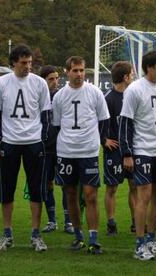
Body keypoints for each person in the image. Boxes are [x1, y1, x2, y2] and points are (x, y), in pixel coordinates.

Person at [0, 44, 51, 252]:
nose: (28, 67)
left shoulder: (40, 83)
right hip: (10, 143)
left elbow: (46, 114)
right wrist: (0, 140)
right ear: (13, 63)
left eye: (30, 62)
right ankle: (7, 233)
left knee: (36, 190)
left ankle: (36, 234)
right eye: (24, 63)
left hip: (34, 143)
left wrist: (42, 138)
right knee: (7, 190)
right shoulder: (2, 83)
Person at [119, 51, 156, 261]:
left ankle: (151, 239)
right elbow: (125, 123)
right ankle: (139, 243)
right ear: (149, 68)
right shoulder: (134, 90)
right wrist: (127, 154)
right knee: (144, 194)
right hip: (142, 150)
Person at [52, 56, 109, 254]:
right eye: (75, 70)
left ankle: (94, 238)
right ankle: (78, 236)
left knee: (90, 194)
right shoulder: (59, 96)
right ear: (67, 71)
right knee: (70, 194)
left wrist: (96, 142)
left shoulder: (94, 92)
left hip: (88, 152)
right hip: (66, 151)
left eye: (82, 70)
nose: (79, 74)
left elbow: (104, 120)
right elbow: (57, 124)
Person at [39, 65, 74, 234]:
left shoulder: (62, 97)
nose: (55, 82)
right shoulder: (38, 97)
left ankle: (69, 221)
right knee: (46, 184)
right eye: (51, 79)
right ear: (43, 81)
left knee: (66, 185)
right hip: (45, 149)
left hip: (62, 148)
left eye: (56, 78)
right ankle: (52, 220)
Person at [102, 61, 136, 236]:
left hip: (132, 148)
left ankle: (135, 222)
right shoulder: (108, 98)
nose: (134, 76)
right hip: (114, 150)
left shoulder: (134, 95)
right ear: (125, 77)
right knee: (112, 188)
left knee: (135, 186)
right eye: (132, 73)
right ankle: (111, 223)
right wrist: (104, 140)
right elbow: (97, 121)